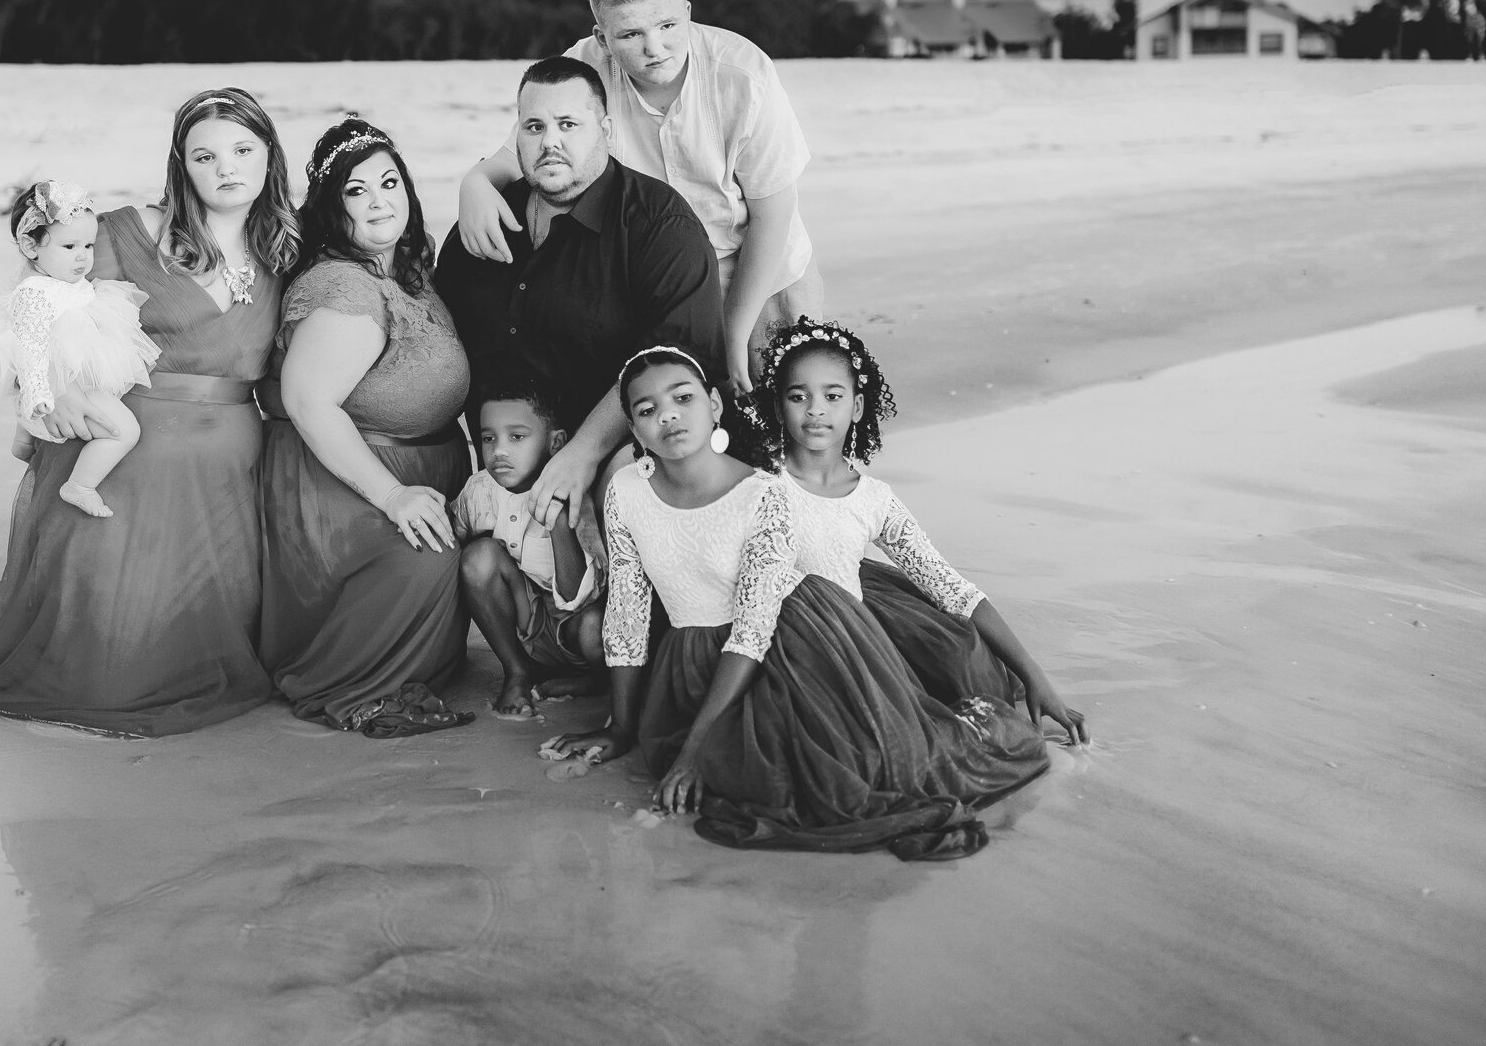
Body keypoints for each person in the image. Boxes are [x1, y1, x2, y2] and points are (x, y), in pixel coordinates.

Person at [0, 88, 299, 736]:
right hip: (124, 453)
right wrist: (49, 389)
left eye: (243, 150)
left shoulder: (284, 251)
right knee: (108, 676)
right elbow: (33, 307)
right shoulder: (129, 231)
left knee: (202, 647)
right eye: (204, 156)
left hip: (227, 472)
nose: (226, 168)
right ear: (180, 165)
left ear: (269, 155)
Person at [542, 347, 1051, 861]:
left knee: (832, 776)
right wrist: (620, 726)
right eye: (648, 409)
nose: (668, 415)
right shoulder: (629, 489)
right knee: (719, 767)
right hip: (697, 653)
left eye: (683, 399)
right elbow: (628, 611)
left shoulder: (767, 493)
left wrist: (696, 752)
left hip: (790, 641)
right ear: (632, 427)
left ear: (714, 405)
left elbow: (755, 627)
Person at [456, 0, 819, 393]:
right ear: (602, 37)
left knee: (790, 411)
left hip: (758, 269)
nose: (655, 48)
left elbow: (773, 215)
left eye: (668, 26)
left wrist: (734, 332)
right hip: (655, 276)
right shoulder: (583, 70)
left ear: (688, 12)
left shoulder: (744, 74)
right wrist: (475, 182)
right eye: (630, 34)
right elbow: (522, 152)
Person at [754, 318, 1088, 745]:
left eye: (832, 396)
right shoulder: (757, 482)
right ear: (779, 406)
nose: (815, 409)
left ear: (857, 407)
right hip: (776, 636)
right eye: (798, 396)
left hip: (849, 636)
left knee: (959, 656)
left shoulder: (873, 499)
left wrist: (1035, 675)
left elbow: (951, 588)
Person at [436, 54, 727, 540]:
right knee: (474, 566)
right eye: (534, 127)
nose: (549, 141)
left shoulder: (657, 225)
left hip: (624, 464)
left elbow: (677, 358)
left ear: (605, 129)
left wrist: (584, 453)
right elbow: (436, 335)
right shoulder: (484, 221)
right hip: (501, 478)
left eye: (568, 124)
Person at [256, 118, 477, 738]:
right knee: (427, 559)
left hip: (404, 472)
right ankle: (342, 677)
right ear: (333, 208)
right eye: (356, 191)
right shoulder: (344, 287)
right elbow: (307, 402)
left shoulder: (404, 265)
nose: (379, 201)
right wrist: (393, 494)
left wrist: (484, 179)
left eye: (389, 182)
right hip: (344, 491)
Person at [0, 179, 160, 517]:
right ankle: (80, 486)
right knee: (125, 432)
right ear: (31, 247)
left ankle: (24, 440)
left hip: (75, 369)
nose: (83, 257)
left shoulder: (59, 280)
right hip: (57, 378)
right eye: (69, 246)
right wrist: (38, 392)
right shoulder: (36, 293)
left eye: (89, 245)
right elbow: (30, 348)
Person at [452, 376, 607, 719]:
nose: (499, 451)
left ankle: (597, 679)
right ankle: (517, 671)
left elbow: (577, 598)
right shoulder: (479, 490)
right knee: (478, 556)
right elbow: (455, 551)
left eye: (517, 437)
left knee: (594, 628)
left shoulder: (575, 496)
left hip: (577, 629)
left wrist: (559, 521)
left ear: (555, 443)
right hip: (528, 628)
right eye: (488, 438)